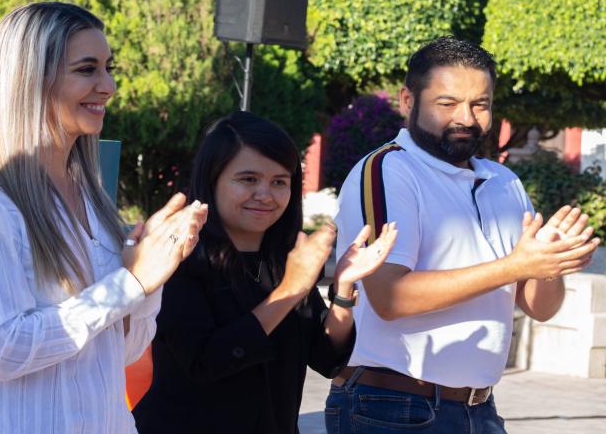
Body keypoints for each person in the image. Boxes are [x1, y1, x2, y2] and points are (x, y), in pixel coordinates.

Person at [0, 1, 209, 433]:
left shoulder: (90, 196)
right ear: (30, 80)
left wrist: (152, 271)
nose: (108, 85)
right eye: (87, 69)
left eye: (107, 68)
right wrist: (130, 283)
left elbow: (125, 350)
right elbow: (5, 349)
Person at [327, 37, 599, 433]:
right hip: (391, 406)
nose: (467, 118)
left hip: (480, 408)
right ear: (407, 101)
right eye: (447, 103)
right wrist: (515, 265)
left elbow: (540, 307)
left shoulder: (505, 181)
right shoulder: (388, 170)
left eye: (480, 104)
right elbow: (389, 297)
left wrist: (550, 265)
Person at [133, 111, 397, 434]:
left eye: (279, 182)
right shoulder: (180, 258)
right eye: (248, 179)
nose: (265, 195)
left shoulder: (284, 260)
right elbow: (206, 361)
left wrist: (343, 288)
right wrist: (289, 291)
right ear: (212, 179)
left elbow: (327, 359)